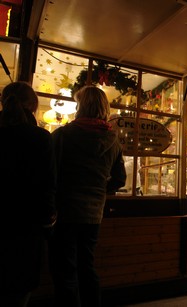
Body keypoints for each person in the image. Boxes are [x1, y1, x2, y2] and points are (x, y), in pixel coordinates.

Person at [49, 85, 126, 307]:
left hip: (64, 212)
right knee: (86, 266)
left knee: (65, 270)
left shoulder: (62, 135)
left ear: (81, 106)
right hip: (93, 214)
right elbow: (120, 179)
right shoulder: (113, 141)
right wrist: (100, 188)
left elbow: (50, 173)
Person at [0, 81, 57, 306]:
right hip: (26, 226)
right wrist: (48, 223)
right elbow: (47, 187)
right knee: (19, 290)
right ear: (33, 106)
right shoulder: (41, 138)